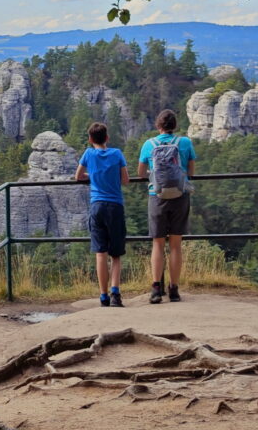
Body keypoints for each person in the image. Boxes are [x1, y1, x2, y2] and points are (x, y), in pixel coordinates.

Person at [137, 109, 196, 304]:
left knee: (158, 243)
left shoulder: (149, 144)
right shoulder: (185, 142)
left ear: (158, 125)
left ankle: (155, 289)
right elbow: (191, 171)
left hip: (157, 196)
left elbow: (141, 172)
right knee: (176, 245)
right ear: (175, 125)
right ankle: (174, 289)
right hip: (180, 195)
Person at [75, 122, 130, 307]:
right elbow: (125, 180)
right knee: (116, 254)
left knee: (100, 253)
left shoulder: (88, 154)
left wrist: (93, 177)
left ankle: (103, 296)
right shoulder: (117, 154)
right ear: (107, 138)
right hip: (115, 206)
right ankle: (116, 294)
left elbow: (78, 176)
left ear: (90, 140)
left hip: (97, 206)